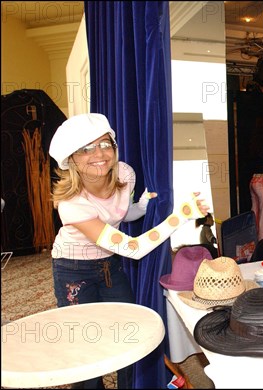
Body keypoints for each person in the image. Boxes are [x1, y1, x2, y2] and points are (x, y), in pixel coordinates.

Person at [48, 113, 210, 389]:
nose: (99, 154)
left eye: (104, 144)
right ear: (70, 159)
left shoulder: (125, 173)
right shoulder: (72, 204)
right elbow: (133, 249)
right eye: (85, 149)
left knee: (128, 337)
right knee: (87, 347)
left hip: (110, 266)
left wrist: (143, 207)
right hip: (73, 270)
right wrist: (181, 215)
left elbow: (119, 215)